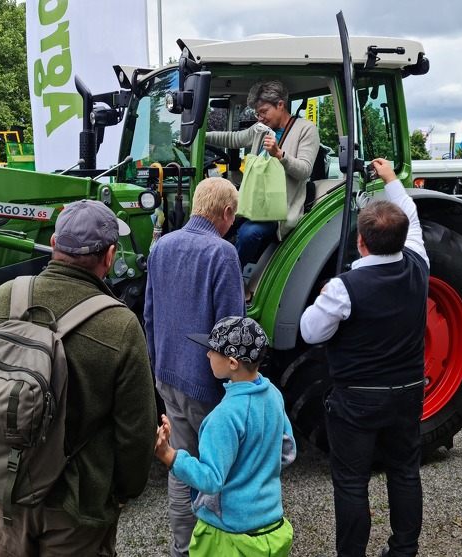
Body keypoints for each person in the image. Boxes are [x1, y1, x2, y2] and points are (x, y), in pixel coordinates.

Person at [0, 200, 157, 556]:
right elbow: (136, 432)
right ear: (111, 255)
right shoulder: (121, 326)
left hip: (7, 491)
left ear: (54, 243)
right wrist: (123, 493)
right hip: (78, 504)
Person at [299, 158, 428, 557]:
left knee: (352, 482)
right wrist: (391, 178)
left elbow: (309, 331)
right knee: (405, 472)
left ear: (360, 241)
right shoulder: (419, 263)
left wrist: (322, 300)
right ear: (403, 239)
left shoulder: (342, 289)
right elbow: (411, 214)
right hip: (409, 393)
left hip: (357, 399)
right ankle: (404, 550)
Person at [143, 176, 245, 557]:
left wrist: (156, 368)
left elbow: (149, 315)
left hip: (168, 375)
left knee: (181, 465)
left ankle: (182, 549)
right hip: (207, 385)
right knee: (219, 473)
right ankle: (217, 547)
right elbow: (232, 328)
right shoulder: (222, 254)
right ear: (226, 212)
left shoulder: (161, 246)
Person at [153, 315, 296, 556]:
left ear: (231, 362)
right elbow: (287, 451)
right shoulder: (273, 394)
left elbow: (210, 480)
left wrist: (169, 455)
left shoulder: (223, 417)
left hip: (229, 538)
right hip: (271, 525)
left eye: (212, 350)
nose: (207, 355)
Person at [205, 80, 320, 266]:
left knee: (249, 233)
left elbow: (304, 170)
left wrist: (280, 155)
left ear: (280, 105)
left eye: (264, 112)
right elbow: (234, 138)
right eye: (257, 113)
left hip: (279, 209)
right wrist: (201, 136)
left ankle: (234, 278)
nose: (260, 118)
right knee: (212, 221)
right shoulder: (261, 129)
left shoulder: (306, 129)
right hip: (252, 200)